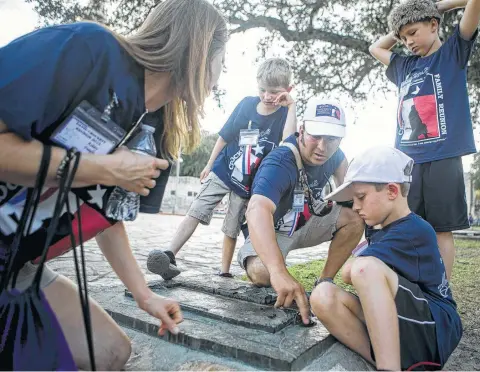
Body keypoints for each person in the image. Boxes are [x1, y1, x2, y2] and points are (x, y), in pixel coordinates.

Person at [0, 0, 228, 369]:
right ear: (200, 51)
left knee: (110, 351)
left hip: (18, 265)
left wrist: (144, 296)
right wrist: (102, 168)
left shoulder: (156, 131)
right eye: (222, 59)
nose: (221, 74)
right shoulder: (89, 50)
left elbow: (103, 214)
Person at [311, 146, 462, 371]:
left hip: (434, 328)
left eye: (361, 197)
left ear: (392, 191)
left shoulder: (414, 230)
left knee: (365, 269)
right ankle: (388, 363)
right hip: (407, 318)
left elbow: (350, 272)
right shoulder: (379, 228)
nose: (355, 206)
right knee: (322, 296)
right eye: (353, 199)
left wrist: (360, 264)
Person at [147, 58, 297, 279]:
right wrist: (209, 164)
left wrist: (291, 106)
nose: (266, 96)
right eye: (262, 90)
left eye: (274, 92)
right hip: (224, 170)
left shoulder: (285, 115)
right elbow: (225, 136)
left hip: (247, 185)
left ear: (287, 90)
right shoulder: (247, 104)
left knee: (231, 227)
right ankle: (169, 254)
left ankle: (224, 271)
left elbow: (288, 142)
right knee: (197, 209)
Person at [368, 0, 480, 279]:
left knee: (440, 229)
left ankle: (441, 290)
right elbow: (376, 48)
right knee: (404, 224)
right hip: (407, 162)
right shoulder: (404, 67)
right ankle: (409, 284)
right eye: (403, 37)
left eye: (413, 32)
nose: (408, 41)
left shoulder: (452, 54)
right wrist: (401, 25)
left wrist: (435, 8)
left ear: (434, 26)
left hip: (443, 157)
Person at [239, 99, 364, 324]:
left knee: (355, 220)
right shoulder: (280, 161)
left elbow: (352, 195)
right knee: (261, 271)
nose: (322, 147)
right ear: (302, 130)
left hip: (307, 222)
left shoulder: (335, 156)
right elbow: (257, 210)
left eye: (332, 139)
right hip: (274, 229)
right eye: (315, 136)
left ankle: (324, 281)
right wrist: (278, 271)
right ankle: (279, 271)